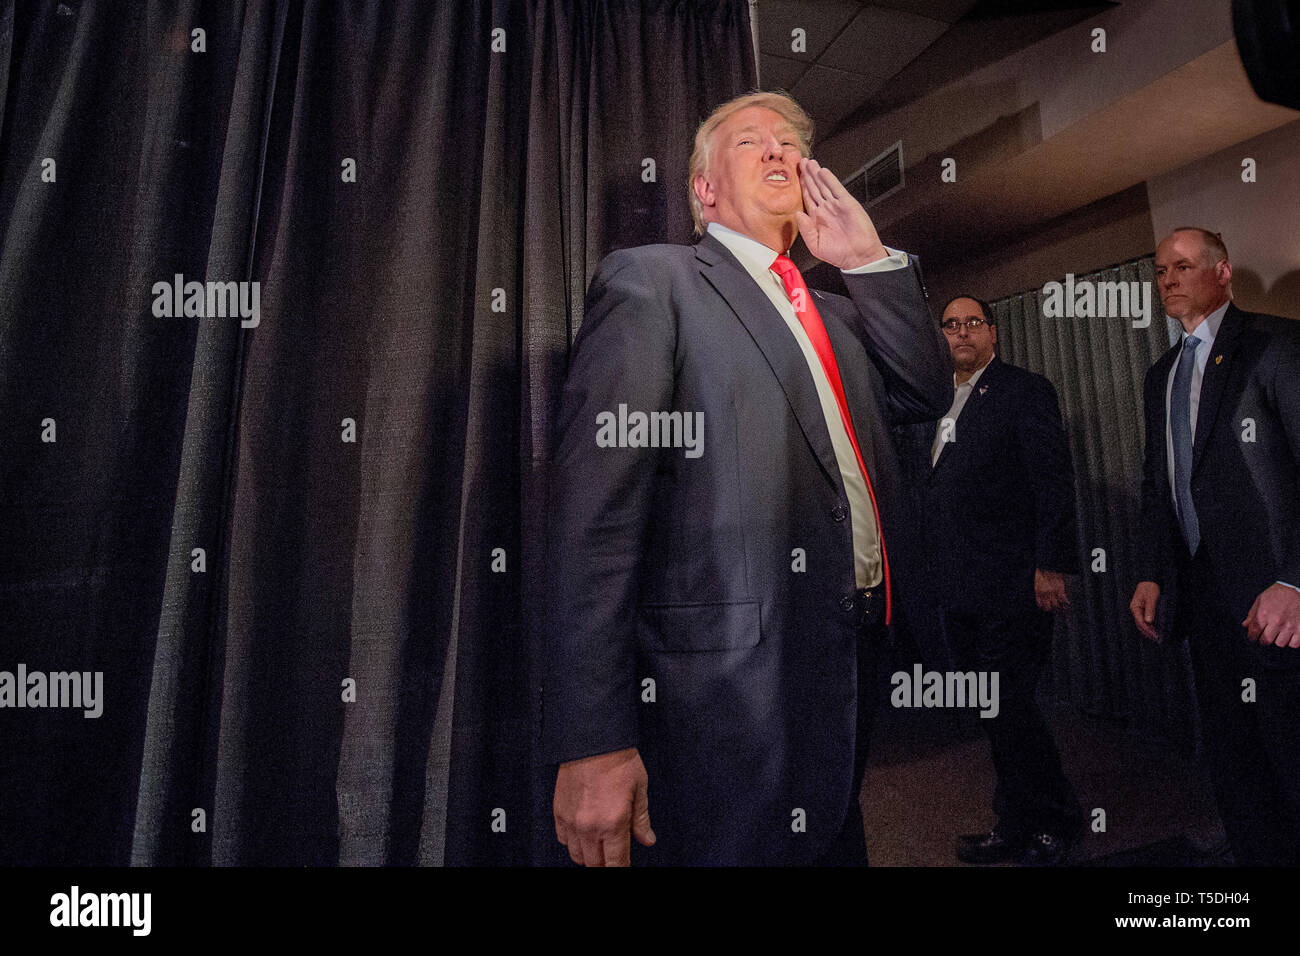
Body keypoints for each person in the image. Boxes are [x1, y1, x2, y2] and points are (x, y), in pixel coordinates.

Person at [540, 91, 952, 866]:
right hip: (720, 691)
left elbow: (926, 392)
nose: (777, 153)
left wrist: (867, 261)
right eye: (748, 143)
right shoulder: (653, 283)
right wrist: (592, 737)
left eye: (791, 144)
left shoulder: (843, 310)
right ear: (703, 190)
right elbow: (593, 518)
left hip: (849, 654)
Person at [1130, 227, 1300, 866]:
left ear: (1223, 272)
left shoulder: (1276, 345)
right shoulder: (1161, 374)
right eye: (1160, 270)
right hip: (1202, 600)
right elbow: (1160, 482)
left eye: (1182, 265)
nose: (1168, 278)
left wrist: (1296, 582)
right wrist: (1152, 572)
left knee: (1287, 747)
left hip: (1277, 601)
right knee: (1232, 753)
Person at [916, 295, 1084, 866]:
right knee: (993, 711)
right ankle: (1015, 822)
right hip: (958, 589)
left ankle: (1054, 821)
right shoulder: (934, 401)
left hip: (1013, 585)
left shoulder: (1022, 391)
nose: (961, 332)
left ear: (993, 333)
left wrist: (1051, 565)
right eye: (951, 324)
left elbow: (1053, 483)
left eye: (973, 323)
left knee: (1010, 706)